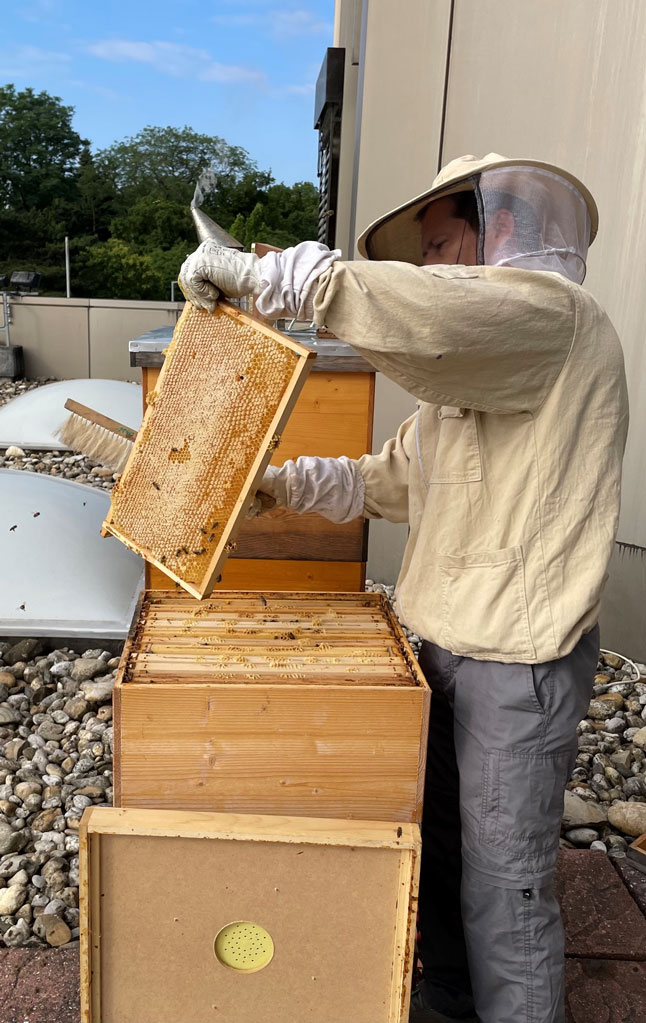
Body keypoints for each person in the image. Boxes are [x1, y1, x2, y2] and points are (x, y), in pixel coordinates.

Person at [179, 153, 629, 1023]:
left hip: (516, 663)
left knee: (508, 890)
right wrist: (280, 482)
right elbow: (395, 478)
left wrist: (276, 277)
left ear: (501, 226)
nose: (426, 268)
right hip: (439, 643)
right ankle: (453, 1004)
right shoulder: (481, 378)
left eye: (439, 242)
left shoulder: (555, 321)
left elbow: (425, 316)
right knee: (446, 859)